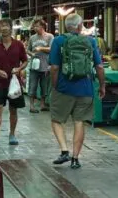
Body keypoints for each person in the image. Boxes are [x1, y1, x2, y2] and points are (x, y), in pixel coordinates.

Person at [49, 13, 105, 169]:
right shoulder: (91, 41)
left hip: (63, 87)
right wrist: (102, 86)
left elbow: (54, 67)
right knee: (79, 122)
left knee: (56, 119)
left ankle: (64, 150)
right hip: (85, 89)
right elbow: (99, 67)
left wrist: (55, 85)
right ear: (80, 27)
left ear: (66, 26)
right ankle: (75, 158)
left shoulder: (59, 40)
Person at [0, 18, 28, 148]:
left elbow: (25, 61)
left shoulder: (18, 45)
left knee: (13, 110)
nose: (4, 28)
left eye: (6, 26)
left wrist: (19, 69)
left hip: (14, 84)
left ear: (11, 28)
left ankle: (12, 134)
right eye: (2, 26)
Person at [27, 19, 54, 114]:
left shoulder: (49, 36)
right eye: (34, 26)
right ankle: (31, 106)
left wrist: (41, 48)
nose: (35, 28)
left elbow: (52, 49)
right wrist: (32, 54)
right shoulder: (32, 38)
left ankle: (42, 105)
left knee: (44, 86)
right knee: (32, 85)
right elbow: (28, 50)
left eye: (37, 26)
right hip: (34, 66)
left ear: (42, 26)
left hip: (45, 66)